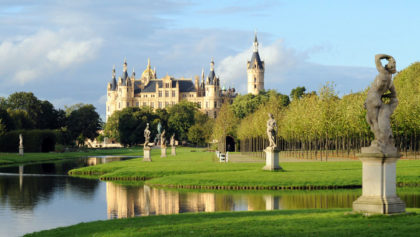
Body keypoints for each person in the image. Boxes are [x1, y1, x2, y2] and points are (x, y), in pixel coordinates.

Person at [365, 54, 398, 150]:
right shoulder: (390, 82)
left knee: (372, 121)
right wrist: (382, 96)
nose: (385, 65)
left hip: (372, 98)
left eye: (387, 64)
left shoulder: (383, 72)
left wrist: (389, 57)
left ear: (387, 67)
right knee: (376, 120)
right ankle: (383, 140)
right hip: (378, 99)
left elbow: (377, 57)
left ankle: (380, 141)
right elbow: (394, 95)